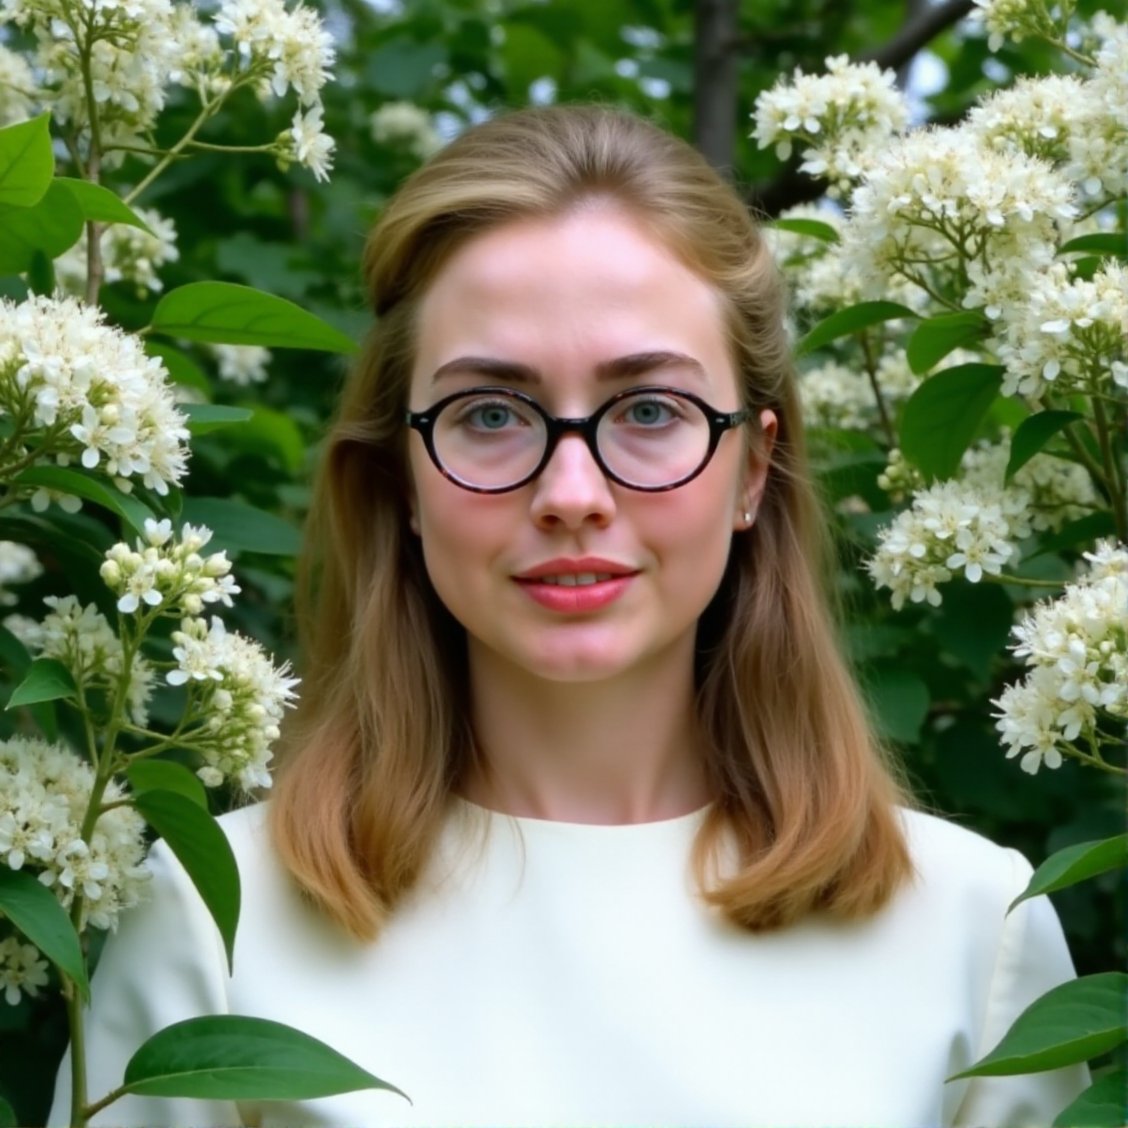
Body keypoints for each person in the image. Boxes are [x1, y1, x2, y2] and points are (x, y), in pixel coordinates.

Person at [51, 105, 1087, 1128]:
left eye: (650, 411)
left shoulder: (971, 934)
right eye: (491, 415)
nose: (573, 491)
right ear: (403, 478)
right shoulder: (216, 919)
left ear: (753, 468)